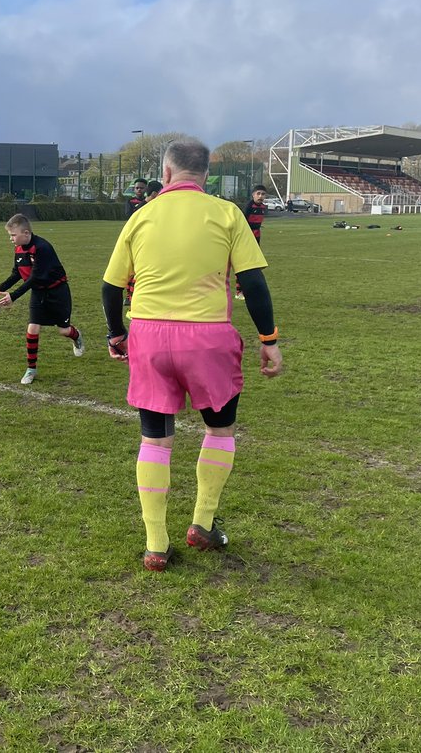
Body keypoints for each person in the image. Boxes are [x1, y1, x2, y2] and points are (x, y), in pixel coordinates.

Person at [102, 141, 283, 572]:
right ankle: (202, 522)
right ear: (205, 175)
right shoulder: (226, 213)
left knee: (155, 438)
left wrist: (115, 334)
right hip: (207, 338)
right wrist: (269, 339)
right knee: (219, 431)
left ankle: (156, 544)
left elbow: (111, 287)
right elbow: (253, 284)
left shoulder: (140, 215)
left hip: (148, 334)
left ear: (164, 173)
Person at [0, 214, 84, 385]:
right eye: (9, 235)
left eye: (13, 235)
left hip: (57, 292)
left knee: (63, 330)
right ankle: (31, 369)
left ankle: (76, 337)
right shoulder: (18, 249)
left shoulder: (42, 248)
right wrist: (2, 287)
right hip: (38, 293)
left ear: (26, 233)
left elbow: (35, 278)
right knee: (33, 328)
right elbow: (17, 273)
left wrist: (13, 296)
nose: (11, 239)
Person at [235, 184, 267, 300]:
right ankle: (239, 291)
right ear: (253, 195)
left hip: (257, 236)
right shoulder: (249, 206)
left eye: (263, 194)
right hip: (247, 236)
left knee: (254, 264)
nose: (260, 196)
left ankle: (250, 289)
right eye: (258, 193)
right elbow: (242, 221)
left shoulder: (263, 207)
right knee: (244, 263)